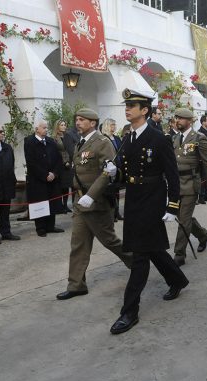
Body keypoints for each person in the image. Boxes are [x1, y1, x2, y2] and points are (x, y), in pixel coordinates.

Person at [110, 89, 188, 335]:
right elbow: (126, 172)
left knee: (140, 256)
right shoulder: (127, 137)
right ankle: (177, 279)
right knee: (152, 248)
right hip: (133, 199)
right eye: (127, 105)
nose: (127, 108)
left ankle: (129, 311)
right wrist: (116, 174)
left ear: (145, 110)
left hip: (152, 199)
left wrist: (172, 206)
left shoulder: (158, 138)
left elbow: (172, 176)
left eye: (132, 105)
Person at [56, 108, 132, 300]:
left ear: (92, 123)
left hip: (97, 202)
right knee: (78, 244)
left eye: (82, 119)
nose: (77, 122)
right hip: (80, 203)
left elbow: (108, 172)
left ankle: (137, 263)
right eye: (76, 119)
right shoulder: (80, 143)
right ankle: (76, 285)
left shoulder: (102, 142)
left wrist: (91, 195)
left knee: (109, 241)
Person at [172, 107, 207, 266]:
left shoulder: (199, 138)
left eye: (181, 118)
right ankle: (203, 234)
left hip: (191, 183)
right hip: (176, 184)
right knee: (182, 217)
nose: (177, 121)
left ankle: (179, 254)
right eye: (176, 118)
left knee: (184, 220)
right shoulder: (175, 138)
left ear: (189, 121)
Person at [24, 119, 64, 237]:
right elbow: (31, 162)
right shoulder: (29, 142)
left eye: (47, 128)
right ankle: (40, 227)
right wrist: (45, 175)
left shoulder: (51, 141)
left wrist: (54, 173)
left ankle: (50, 226)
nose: (46, 130)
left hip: (52, 178)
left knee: (52, 202)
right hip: (38, 180)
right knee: (40, 203)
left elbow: (58, 159)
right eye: (44, 128)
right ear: (37, 129)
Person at [101, 118, 124, 221]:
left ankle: (117, 212)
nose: (114, 127)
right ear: (106, 126)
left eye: (114, 125)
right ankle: (111, 213)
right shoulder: (103, 138)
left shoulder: (117, 138)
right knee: (110, 192)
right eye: (112, 125)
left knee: (117, 191)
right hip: (109, 168)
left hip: (118, 167)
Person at [52, 119, 73, 213]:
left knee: (66, 186)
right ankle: (59, 206)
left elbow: (70, 149)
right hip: (59, 164)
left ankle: (65, 205)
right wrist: (64, 161)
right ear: (57, 126)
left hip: (69, 164)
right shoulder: (54, 138)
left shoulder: (68, 136)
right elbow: (56, 152)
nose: (64, 126)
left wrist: (70, 161)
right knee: (60, 186)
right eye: (62, 125)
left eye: (65, 125)